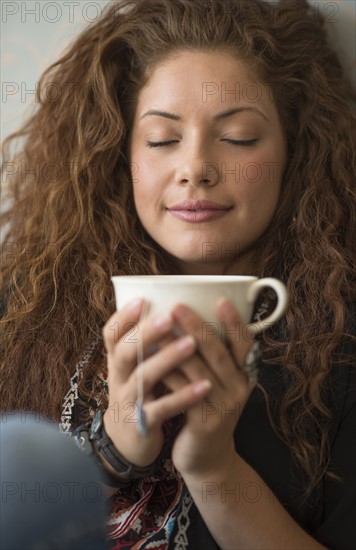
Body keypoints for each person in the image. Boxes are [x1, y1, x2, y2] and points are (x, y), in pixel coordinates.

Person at [1, 0, 355, 548]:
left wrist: (215, 469)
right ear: (122, 157)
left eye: (238, 137)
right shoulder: (27, 306)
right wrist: (115, 447)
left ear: (295, 153)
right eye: (162, 140)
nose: (195, 168)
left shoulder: (342, 346)